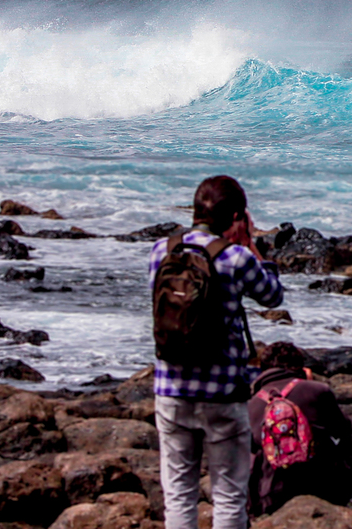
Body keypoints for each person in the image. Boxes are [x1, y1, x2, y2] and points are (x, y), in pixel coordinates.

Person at [148, 175, 285, 529]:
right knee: (228, 496)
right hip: (223, 394)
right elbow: (273, 295)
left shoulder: (161, 251)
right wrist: (251, 244)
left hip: (171, 389)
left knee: (178, 494)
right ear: (237, 217)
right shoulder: (237, 258)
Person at [247, 342, 352, 517]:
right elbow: (343, 430)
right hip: (320, 486)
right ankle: (335, 506)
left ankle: (254, 513)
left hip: (272, 495)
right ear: (301, 368)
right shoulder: (317, 390)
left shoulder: (251, 404)